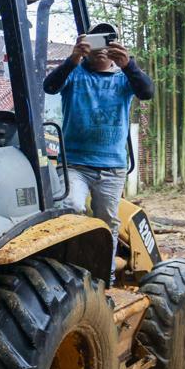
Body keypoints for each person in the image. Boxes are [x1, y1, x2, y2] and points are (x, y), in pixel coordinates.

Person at [43, 25, 154, 283]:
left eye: (108, 42)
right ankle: (66, 277)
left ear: (115, 46)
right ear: (86, 46)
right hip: (75, 164)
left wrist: (129, 65)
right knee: (70, 206)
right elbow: (50, 86)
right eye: (96, 42)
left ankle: (105, 279)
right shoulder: (75, 73)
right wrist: (72, 60)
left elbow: (147, 92)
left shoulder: (124, 77)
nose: (101, 49)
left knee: (107, 224)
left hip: (112, 166)